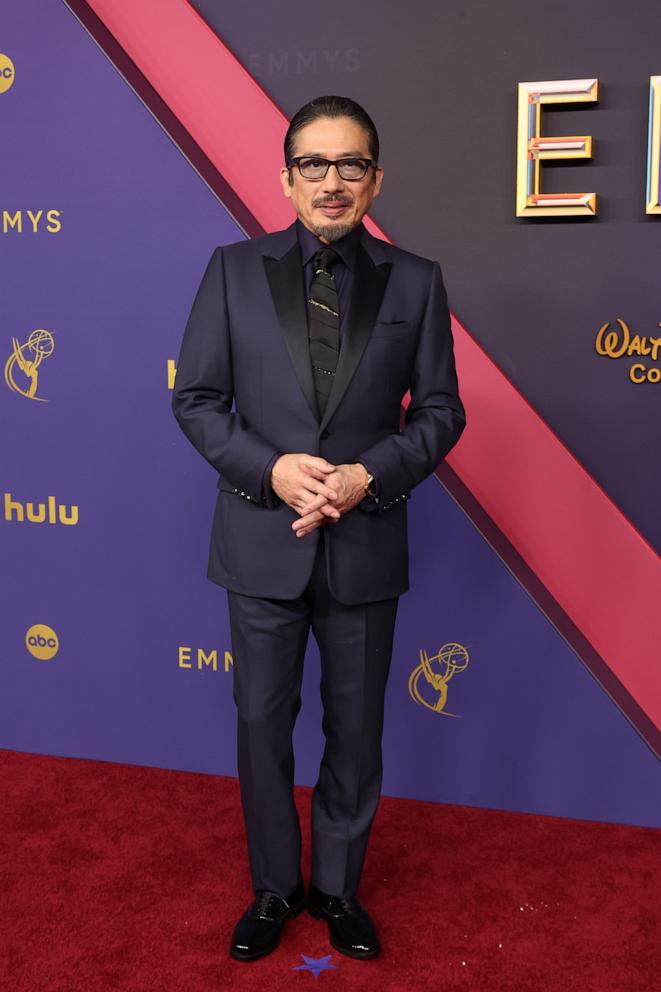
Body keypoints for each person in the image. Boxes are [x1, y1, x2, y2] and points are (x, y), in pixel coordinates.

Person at [171, 94, 465, 962]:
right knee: (261, 726)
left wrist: (370, 474)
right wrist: (271, 467)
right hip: (262, 542)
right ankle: (274, 890)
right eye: (313, 164)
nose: (330, 182)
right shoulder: (231, 269)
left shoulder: (416, 280)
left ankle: (337, 890)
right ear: (285, 175)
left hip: (366, 543)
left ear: (375, 178)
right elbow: (195, 399)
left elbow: (440, 412)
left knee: (357, 730)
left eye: (349, 165)